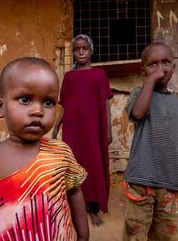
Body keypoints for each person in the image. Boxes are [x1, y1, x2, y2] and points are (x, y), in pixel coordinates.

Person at [0, 57, 89, 241]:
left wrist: (83, 235)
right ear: (0, 107)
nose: (38, 111)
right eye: (25, 100)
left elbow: (74, 192)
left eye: (48, 103)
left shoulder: (61, 152)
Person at [123, 43, 178, 241]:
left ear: (173, 67)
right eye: (152, 65)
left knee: (166, 233)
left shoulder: (177, 102)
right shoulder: (138, 94)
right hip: (141, 179)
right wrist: (149, 82)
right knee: (135, 232)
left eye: (165, 63)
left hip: (169, 180)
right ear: (143, 71)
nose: (160, 69)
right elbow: (138, 114)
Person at [52, 34, 113, 227]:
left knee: (93, 166)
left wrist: (108, 130)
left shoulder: (99, 75)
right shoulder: (69, 78)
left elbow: (105, 104)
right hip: (72, 130)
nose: (80, 51)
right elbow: (65, 105)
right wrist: (56, 126)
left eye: (84, 48)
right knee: (72, 166)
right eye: (77, 49)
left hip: (93, 130)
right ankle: (73, 206)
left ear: (91, 50)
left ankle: (93, 209)